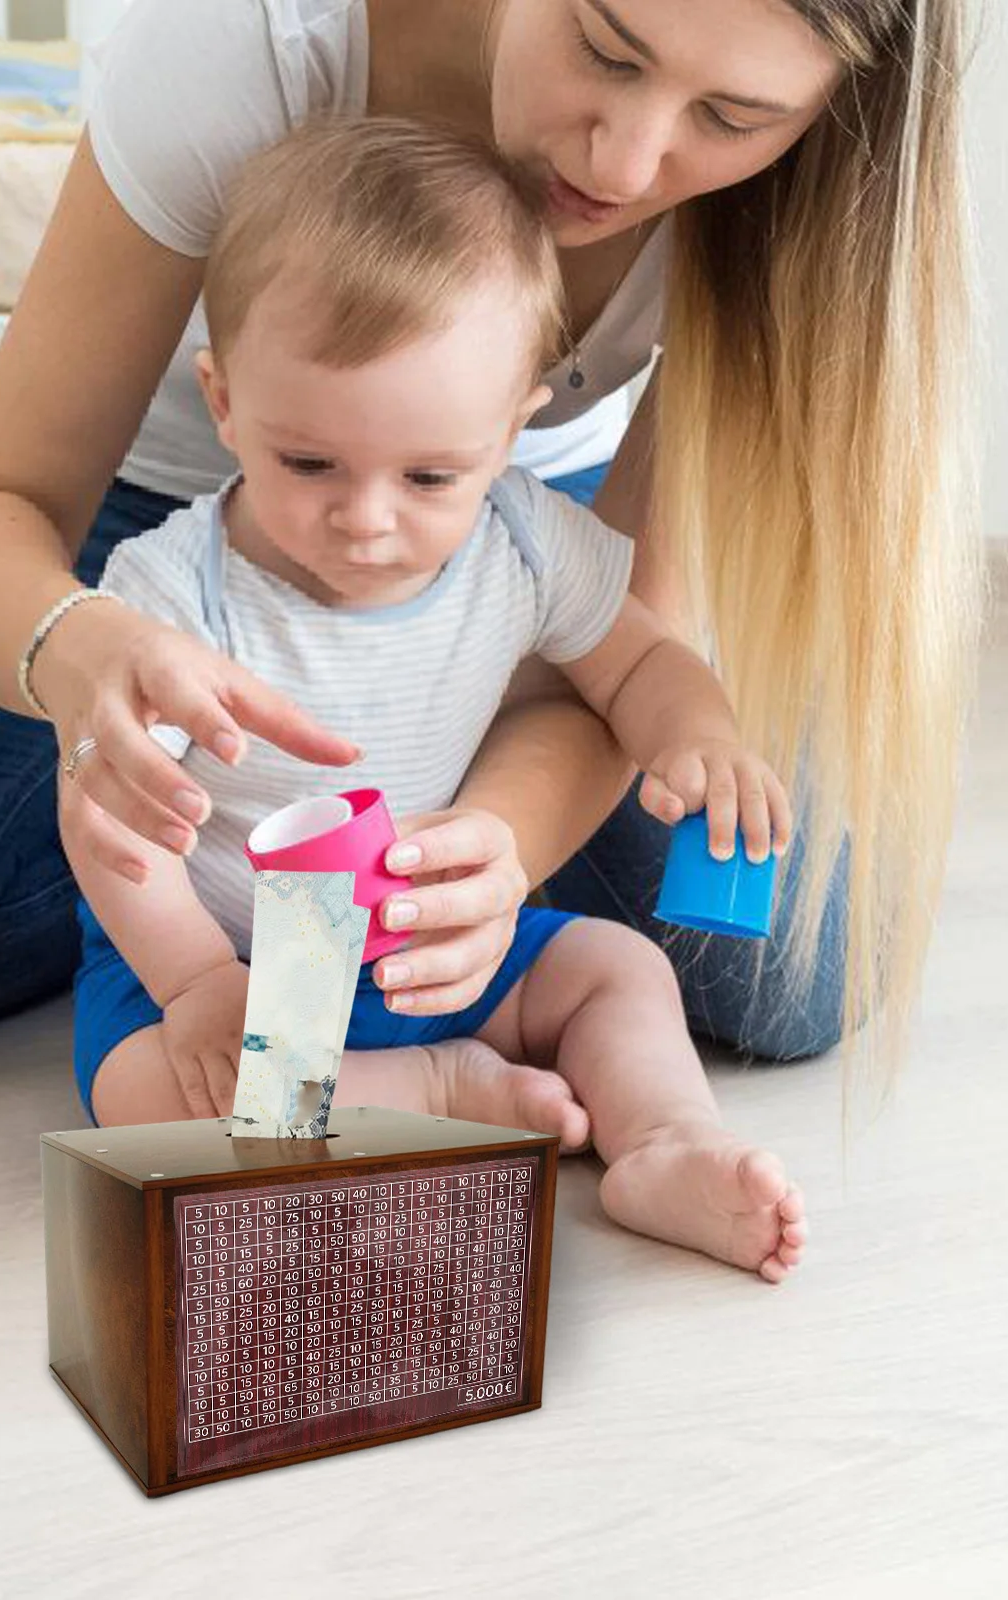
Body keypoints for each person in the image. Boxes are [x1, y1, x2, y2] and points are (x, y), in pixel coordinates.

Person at [0, 0, 978, 1079]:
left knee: (800, 971)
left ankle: (397, 884)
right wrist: (85, 657)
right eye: (605, 48)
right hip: (170, 518)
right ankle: (241, 890)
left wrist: (494, 846)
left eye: (730, 114)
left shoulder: (800, 210)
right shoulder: (252, 47)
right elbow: (3, 506)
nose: (628, 158)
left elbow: (617, 658)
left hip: (513, 525)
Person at [66, 117, 806, 1279]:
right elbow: (103, 813)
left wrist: (698, 735)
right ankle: (436, 1094)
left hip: (445, 950)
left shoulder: (521, 537)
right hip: (228, 966)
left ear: (510, 431)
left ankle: (666, 1140)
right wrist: (196, 982)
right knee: (146, 1102)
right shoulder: (172, 591)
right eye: (307, 463)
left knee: (621, 970)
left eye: (427, 476)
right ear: (223, 401)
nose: (366, 520)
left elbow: (638, 662)